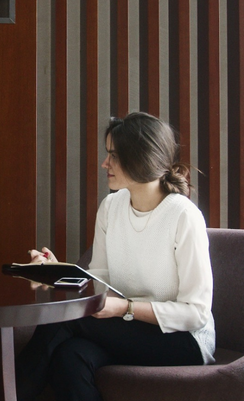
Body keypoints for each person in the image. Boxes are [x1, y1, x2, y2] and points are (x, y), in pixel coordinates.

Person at [15, 112, 215, 401]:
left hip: (184, 340)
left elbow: (196, 313)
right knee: (70, 357)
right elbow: (100, 282)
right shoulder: (111, 207)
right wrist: (57, 271)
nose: (104, 163)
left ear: (141, 159)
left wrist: (124, 308)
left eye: (113, 155)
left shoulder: (184, 216)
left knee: (67, 319)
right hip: (127, 328)